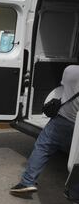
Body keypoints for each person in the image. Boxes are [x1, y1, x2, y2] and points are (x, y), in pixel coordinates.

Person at [10, 65, 79, 195]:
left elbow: (62, 88)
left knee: (43, 147)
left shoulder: (70, 70)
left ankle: (27, 182)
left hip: (63, 119)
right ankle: (75, 193)